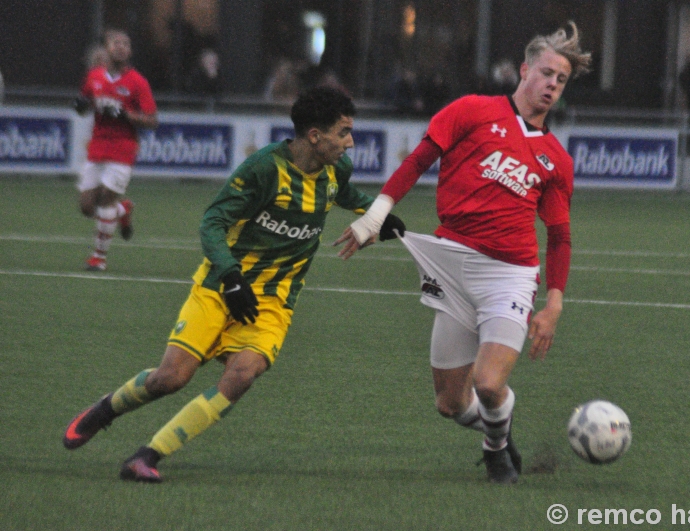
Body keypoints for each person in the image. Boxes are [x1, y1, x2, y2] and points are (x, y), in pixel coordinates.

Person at [62, 86, 405, 483]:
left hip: (274, 301)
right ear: (315, 136)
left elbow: (343, 193)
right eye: (344, 132)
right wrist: (230, 277)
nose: (351, 142)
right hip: (222, 286)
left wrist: (377, 214)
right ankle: (106, 409)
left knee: (242, 375)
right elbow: (213, 223)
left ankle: (148, 456)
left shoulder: (335, 170)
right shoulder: (263, 169)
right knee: (170, 378)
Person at [335, 22, 591, 484]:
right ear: (524, 70)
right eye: (548, 72)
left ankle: (495, 448)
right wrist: (374, 216)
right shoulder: (472, 110)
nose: (553, 84)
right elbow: (416, 162)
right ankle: (501, 430)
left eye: (562, 79)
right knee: (449, 405)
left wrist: (553, 302)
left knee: (489, 383)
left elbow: (559, 235)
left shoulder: (556, 158)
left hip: (510, 275)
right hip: (451, 266)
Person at [73, 28, 158, 271]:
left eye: (125, 44)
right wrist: (81, 106)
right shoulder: (94, 77)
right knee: (87, 206)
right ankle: (123, 210)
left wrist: (125, 115)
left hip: (123, 148)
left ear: (130, 51)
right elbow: (85, 103)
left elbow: (152, 119)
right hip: (97, 146)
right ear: (106, 48)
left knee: (107, 200)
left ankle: (98, 258)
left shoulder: (137, 82)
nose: (121, 47)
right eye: (116, 43)